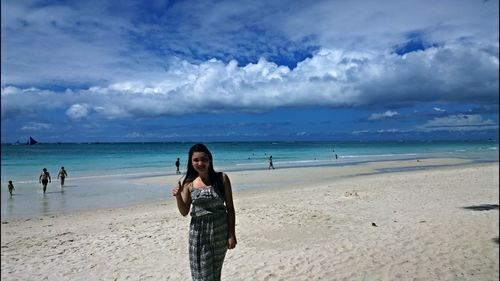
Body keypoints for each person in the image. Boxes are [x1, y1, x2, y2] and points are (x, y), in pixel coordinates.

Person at [171, 143, 237, 281]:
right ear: (191, 162)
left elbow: (230, 208)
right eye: (196, 160)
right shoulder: (188, 183)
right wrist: (178, 196)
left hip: (220, 230)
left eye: (204, 159)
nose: (200, 163)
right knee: (200, 273)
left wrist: (232, 234)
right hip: (198, 232)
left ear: (210, 160)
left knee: (215, 271)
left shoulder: (222, 178)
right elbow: (184, 211)